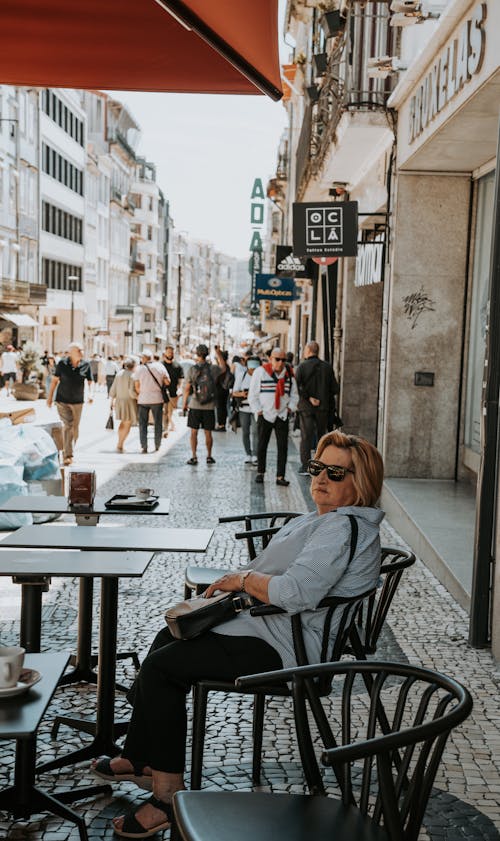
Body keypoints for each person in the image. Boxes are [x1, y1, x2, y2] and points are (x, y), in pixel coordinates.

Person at [91, 430, 385, 838]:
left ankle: (165, 796)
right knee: (167, 639)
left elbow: (295, 592)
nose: (320, 478)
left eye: (336, 473)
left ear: (361, 483)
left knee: (162, 668)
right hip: (273, 630)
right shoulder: (328, 520)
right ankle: (142, 757)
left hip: (288, 648)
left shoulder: (340, 529)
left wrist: (244, 580)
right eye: (317, 467)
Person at [248, 347, 298, 487]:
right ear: (271, 359)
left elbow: (294, 395)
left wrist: (289, 409)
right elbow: (252, 395)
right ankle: (260, 472)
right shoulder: (260, 372)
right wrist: (258, 411)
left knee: (283, 447)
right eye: (277, 359)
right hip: (265, 415)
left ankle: (280, 476)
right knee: (262, 444)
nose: (281, 362)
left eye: (283, 359)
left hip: (282, 415)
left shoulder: (289, 374)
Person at [295, 341, 341, 474]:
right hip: (323, 408)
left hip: (306, 407)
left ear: (309, 350)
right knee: (321, 437)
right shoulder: (327, 367)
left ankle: (305, 466)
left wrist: (309, 398)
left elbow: (297, 386)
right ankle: (319, 464)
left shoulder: (302, 367)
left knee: (306, 437)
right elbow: (335, 388)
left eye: (305, 349)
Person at [46, 342, 93, 465]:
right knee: (68, 426)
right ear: (71, 352)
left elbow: (90, 382)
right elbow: (54, 381)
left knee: (75, 429)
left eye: (82, 350)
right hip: (62, 400)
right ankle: (68, 454)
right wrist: (50, 398)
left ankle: (69, 447)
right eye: (79, 350)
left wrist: (91, 394)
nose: (82, 352)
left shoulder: (86, 365)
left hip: (78, 401)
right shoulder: (62, 363)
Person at [182, 344, 221, 466]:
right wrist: (218, 353)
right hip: (209, 406)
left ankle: (194, 456)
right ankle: (209, 456)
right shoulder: (213, 369)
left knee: (194, 432)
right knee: (208, 432)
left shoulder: (192, 369)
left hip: (195, 404)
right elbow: (224, 369)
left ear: (197, 354)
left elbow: (187, 388)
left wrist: (184, 404)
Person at [133, 349, 170, 454]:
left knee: (143, 424)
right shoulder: (160, 367)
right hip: (157, 399)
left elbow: (136, 386)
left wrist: (143, 392)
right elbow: (168, 381)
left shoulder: (139, 369)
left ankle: (144, 446)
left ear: (144, 358)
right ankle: (157, 445)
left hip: (143, 399)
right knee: (158, 423)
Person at [232, 355, 260, 464]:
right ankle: (248, 454)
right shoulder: (241, 376)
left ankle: (255, 455)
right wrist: (242, 394)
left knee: (256, 431)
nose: (253, 371)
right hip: (244, 407)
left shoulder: (260, 376)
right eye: (251, 368)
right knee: (245, 432)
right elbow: (234, 392)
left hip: (256, 408)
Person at [110, 358, 138, 453]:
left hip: (119, 400)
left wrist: (112, 401)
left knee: (123, 422)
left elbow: (113, 389)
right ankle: (120, 444)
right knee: (127, 424)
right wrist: (138, 397)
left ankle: (120, 443)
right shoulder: (132, 375)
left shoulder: (119, 373)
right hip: (129, 402)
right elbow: (131, 392)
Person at [161, 346, 184, 436]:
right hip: (162, 392)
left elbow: (181, 379)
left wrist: (179, 388)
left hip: (174, 392)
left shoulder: (178, 366)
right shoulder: (161, 365)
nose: (170, 354)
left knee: (170, 411)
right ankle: (165, 428)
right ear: (165, 353)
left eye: (172, 352)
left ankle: (169, 425)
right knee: (165, 411)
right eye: (169, 352)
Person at [213, 347, 232, 430]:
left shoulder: (223, 366)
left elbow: (221, 364)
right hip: (224, 390)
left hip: (220, 390)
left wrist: (218, 353)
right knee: (222, 408)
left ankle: (221, 425)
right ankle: (222, 424)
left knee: (220, 408)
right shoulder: (227, 366)